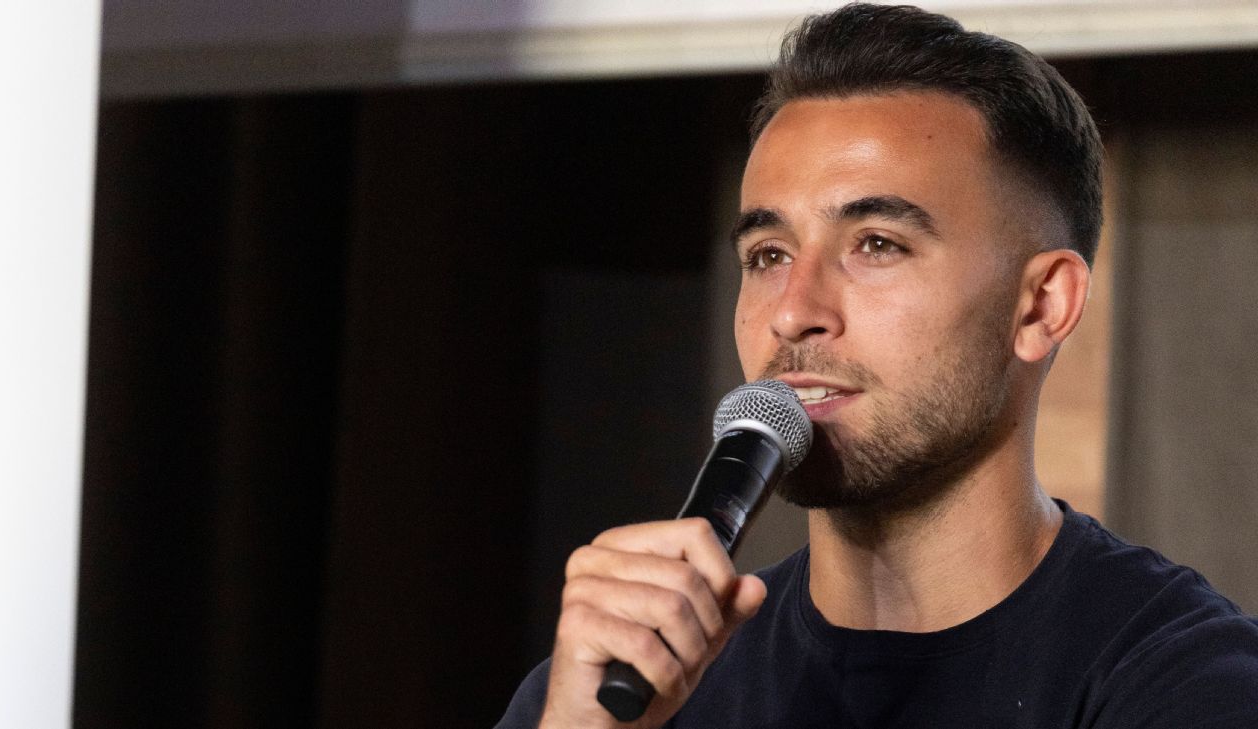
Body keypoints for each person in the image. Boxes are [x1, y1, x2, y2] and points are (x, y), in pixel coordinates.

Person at [496, 4, 1258, 727]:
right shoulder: (624, 686)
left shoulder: (1185, 684)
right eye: (768, 255)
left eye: (876, 245)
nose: (793, 311)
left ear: (1040, 306)